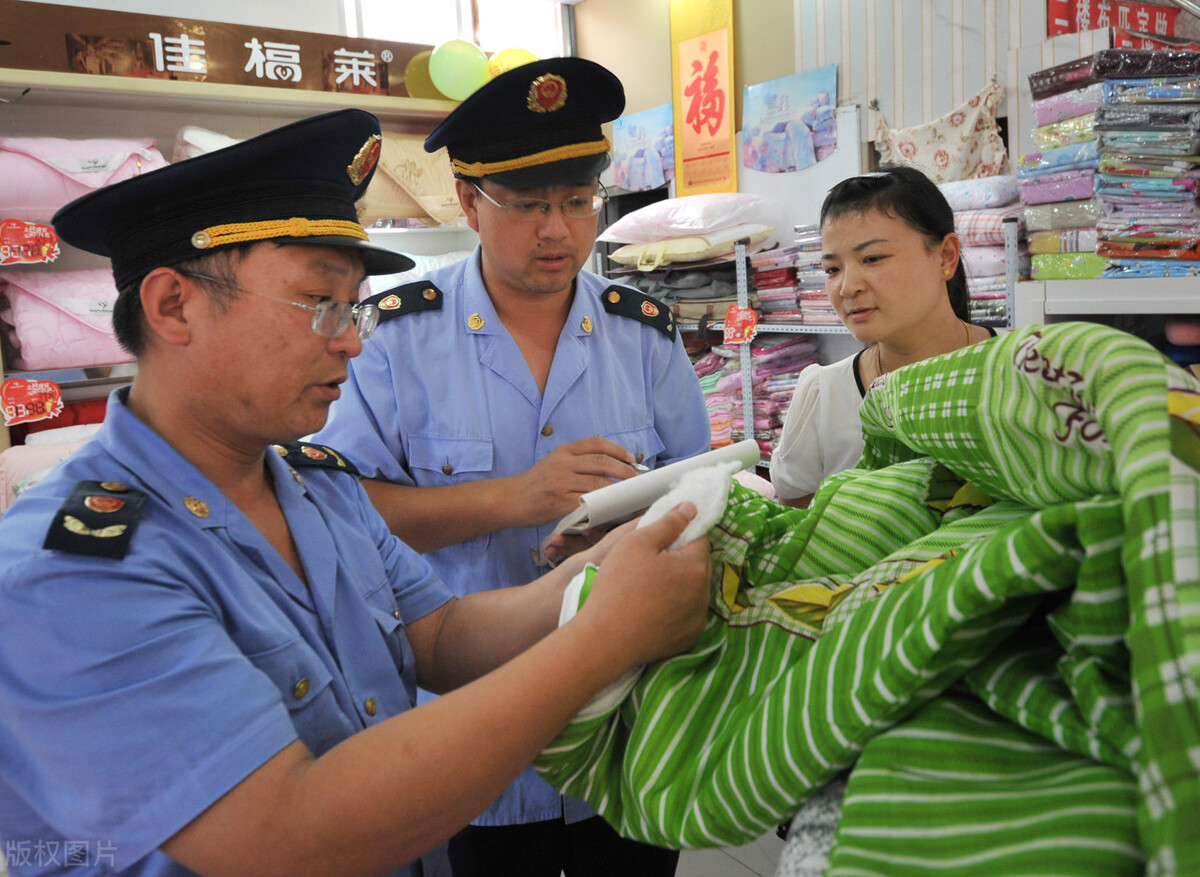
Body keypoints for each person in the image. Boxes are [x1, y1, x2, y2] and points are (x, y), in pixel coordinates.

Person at [0, 108, 712, 877]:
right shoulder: (75, 567)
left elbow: (437, 634)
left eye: (354, 307)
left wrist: (608, 566)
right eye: (320, 304)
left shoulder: (311, 487)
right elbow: (285, 835)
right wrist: (603, 635)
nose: (351, 339)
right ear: (175, 306)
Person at [312, 57, 711, 875]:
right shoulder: (392, 337)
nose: (558, 230)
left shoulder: (645, 333)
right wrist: (510, 499)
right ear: (468, 200)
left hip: (627, 729)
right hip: (470, 737)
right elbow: (339, 509)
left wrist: (622, 532)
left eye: (576, 202)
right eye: (528, 206)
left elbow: (699, 492)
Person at [769, 166, 997, 508]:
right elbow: (799, 530)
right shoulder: (824, 395)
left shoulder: (1022, 369)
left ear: (945, 257)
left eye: (872, 258)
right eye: (832, 269)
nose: (847, 287)